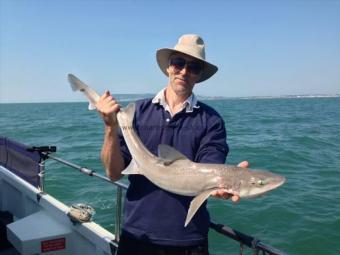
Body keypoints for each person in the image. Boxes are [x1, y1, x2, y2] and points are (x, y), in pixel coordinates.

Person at [96, 34, 248, 255]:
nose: (184, 71)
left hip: (188, 241)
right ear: (169, 67)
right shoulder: (137, 112)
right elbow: (113, 173)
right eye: (178, 63)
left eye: (193, 67)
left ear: (199, 75)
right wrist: (110, 127)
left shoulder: (211, 120)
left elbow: (210, 166)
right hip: (137, 236)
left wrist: (223, 183)